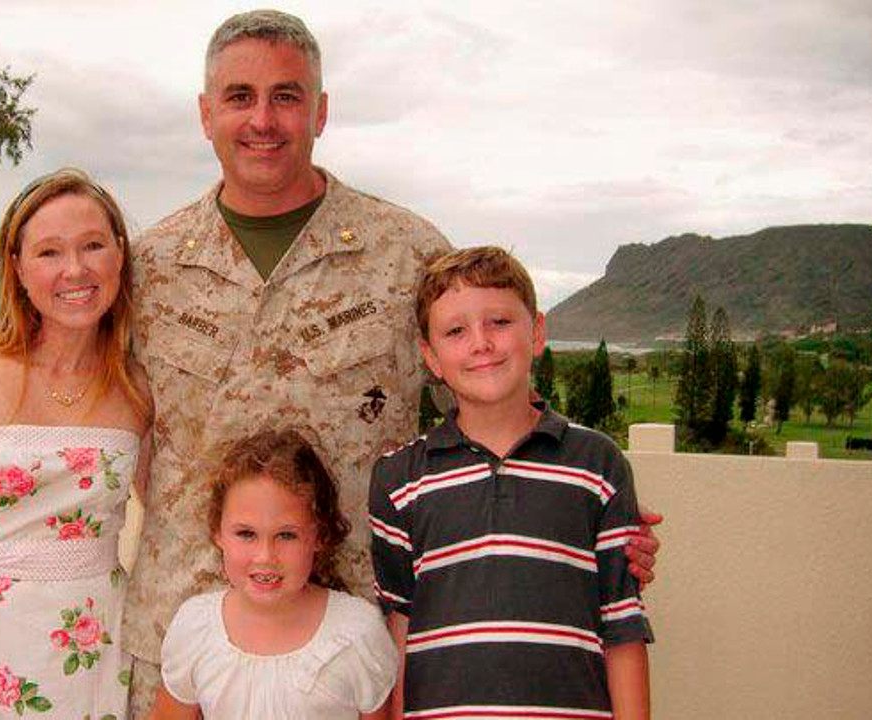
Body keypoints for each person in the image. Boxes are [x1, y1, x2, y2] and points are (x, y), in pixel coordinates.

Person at [122, 11, 661, 717]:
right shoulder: (149, 269)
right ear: (204, 113)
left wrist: (583, 512)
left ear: (321, 111)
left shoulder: (404, 254)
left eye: (287, 95)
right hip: (181, 642)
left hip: (354, 654)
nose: (263, 119)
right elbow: (99, 424)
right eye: (239, 96)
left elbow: (486, 398)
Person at [0, 168, 152, 720]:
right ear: (16, 267)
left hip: (98, 658)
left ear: (120, 255)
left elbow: (167, 521)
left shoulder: (139, 387)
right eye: (49, 252)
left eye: (93, 245)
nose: (75, 270)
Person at [370, 246, 653, 719]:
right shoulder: (399, 479)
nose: (481, 342)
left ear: (537, 331)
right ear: (431, 356)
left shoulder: (597, 463)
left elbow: (622, 625)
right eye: (456, 331)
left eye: (500, 322)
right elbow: (400, 624)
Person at [149, 429, 398, 720]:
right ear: (218, 532)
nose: (265, 556)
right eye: (246, 534)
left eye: (286, 535)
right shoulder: (195, 628)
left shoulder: (357, 633)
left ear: (319, 535)